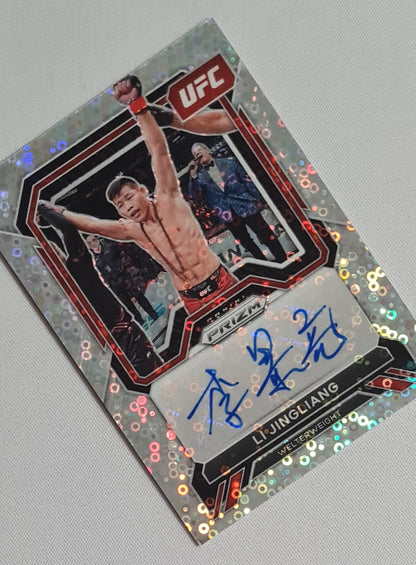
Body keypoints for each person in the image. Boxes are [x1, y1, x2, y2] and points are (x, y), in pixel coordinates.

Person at [39, 76, 237, 315]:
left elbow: (158, 151)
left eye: (128, 197)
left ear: (143, 191)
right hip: (191, 299)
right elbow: (94, 226)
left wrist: (138, 107)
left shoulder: (168, 198)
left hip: (220, 281)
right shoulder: (133, 230)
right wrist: (55, 212)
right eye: (120, 205)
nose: (127, 206)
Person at [37, 203, 161, 376]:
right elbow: (68, 229)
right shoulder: (65, 281)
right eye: (51, 255)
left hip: (118, 340)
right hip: (110, 346)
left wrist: (45, 212)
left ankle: (151, 316)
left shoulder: (73, 271)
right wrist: (44, 211)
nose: (57, 253)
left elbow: (69, 230)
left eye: (55, 250)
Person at [188, 142, 287, 262]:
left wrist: (261, 199)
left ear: (208, 150)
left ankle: (283, 260)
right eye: (194, 154)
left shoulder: (229, 162)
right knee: (247, 243)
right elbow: (195, 197)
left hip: (245, 205)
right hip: (227, 214)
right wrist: (193, 176)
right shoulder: (199, 177)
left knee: (266, 235)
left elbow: (248, 182)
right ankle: (266, 267)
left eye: (199, 150)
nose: (197, 154)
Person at [85, 235, 159, 322]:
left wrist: (124, 267)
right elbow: (100, 273)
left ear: (97, 240)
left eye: (93, 240)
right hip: (113, 284)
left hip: (123, 276)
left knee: (138, 294)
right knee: (127, 303)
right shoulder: (94, 259)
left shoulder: (109, 247)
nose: (92, 244)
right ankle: (139, 320)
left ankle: (153, 313)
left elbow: (121, 254)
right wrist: (108, 283)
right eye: (89, 243)